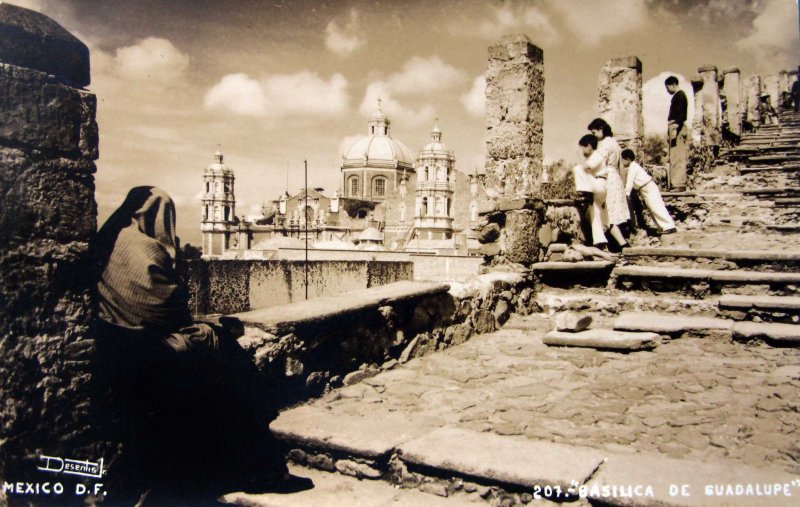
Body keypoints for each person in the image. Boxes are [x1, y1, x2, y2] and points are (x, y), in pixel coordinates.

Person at [93, 187, 306, 504]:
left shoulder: (108, 240)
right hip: (149, 349)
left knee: (214, 354)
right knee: (228, 364)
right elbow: (166, 308)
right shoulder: (145, 251)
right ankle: (262, 466)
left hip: (118, 344)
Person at [588, 118, 630, 249]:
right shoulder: (615, 143)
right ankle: (617, 243)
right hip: (616, 178)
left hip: (607, 178)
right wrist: (623, 185)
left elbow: (599, 164)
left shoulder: (604, 144)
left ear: (601, 129)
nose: (593, 135)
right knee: (612, 212)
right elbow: (621, 167)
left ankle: (623, 245)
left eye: (594, 132)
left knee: (608, 213)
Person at [621, 149, 676, 235]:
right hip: (645, 189)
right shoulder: (633, 166)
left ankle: (669, 226)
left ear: (627, 159)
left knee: (656, 207)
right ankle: (663, 227)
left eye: (622, 160)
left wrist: (626, 193)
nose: (622, 162)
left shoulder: (633, 166)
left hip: (648, 187)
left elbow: (630, 182)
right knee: (652, 209)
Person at [572, 134, 609, 247]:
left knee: (577, 168)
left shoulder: (597, 155)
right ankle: (600, 241)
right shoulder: (593, 157)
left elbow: (587, 168)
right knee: (595, 213)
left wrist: (578, 156)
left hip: (599, 184)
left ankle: (584, 190)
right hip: (598, 186)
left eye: (582, 147)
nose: (582, 151)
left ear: (588, 146)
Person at [665, 76, 689, 192]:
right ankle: (676, 183)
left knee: (678, 156)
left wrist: (675, 127)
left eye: (668, 87)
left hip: (677, 128)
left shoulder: (680, 95)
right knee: (674, 156)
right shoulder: (677, 96)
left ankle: (679, 184)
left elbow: (680, 114)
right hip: (674, 127)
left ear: (673, 84)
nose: (667, 90)